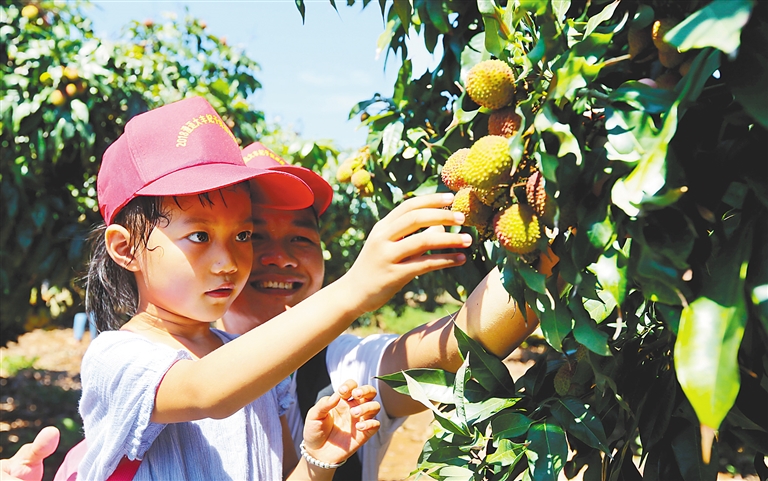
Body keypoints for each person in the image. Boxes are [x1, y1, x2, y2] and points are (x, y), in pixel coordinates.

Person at [75, 97, 471, 480]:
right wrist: (353, 289)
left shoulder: (265, 378)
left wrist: (317, 461)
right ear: (125, 249)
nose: (228, 261)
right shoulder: (117, 358)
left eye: (243, 234)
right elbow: (205, 389)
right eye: (199, 235)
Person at [223, 142, 557, 479]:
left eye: (300, 239)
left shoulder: (342, 369)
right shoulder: (178, 378)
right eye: (253, 236)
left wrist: (558, 225)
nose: (281, 257)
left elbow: (458, 346)